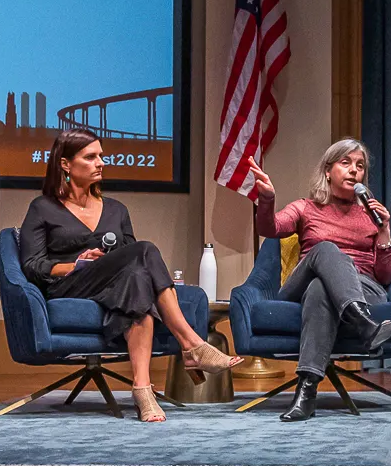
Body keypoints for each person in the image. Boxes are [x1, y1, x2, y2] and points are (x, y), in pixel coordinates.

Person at [18, 127, 238, 422]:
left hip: (113, 288)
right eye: (91, 157)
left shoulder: (116, 210)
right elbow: (32, 264)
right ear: (65, 164)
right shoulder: (43, 208)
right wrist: (76, 264)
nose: (100, 163)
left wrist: (108, 262)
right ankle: (191, 344)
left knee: (137, 280)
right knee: (146, 250)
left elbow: (135, 265)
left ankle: (142, 388)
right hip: (69, 285)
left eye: (101, 157)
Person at [245, 139, 391, 423]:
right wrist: (266, 199)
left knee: (321, 289)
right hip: (299, 286)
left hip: (362, 286)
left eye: (360, 166)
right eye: (346, 163)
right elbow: (270, 228)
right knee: (326, 250)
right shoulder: (306, 208)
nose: (354, 171)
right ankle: (360, 320)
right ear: (328, 171)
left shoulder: (372, 215)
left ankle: (306, 392)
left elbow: (387, 276)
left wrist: (384, 232)